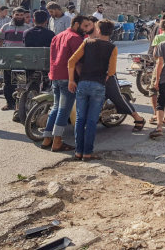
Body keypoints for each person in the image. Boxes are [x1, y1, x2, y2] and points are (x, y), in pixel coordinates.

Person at [40, 15, 94, 153]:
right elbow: (77, 62)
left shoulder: (58, 36)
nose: (87, 29)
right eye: (85, 26)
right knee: (64, 110)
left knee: (56, 108)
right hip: (68, 78)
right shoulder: (76, 39)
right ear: (76, 24)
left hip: (55, 76)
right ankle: (57, 141)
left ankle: (47, 138)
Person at [67, 19, 117, 160]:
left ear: (98, 30)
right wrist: (105, 77)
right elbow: (112, 71)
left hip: (82, 84)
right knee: (91, 120)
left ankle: (78, 151)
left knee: (80, 119)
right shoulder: (112, 48)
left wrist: (71, 80)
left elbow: (71, 61)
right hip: (98, 85)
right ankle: (87, 152)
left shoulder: (87, 43)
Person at [0, 8, 32, 110]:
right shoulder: (6, 27)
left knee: (19, 83)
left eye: (21, 15)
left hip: (21, 60)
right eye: (17, 15)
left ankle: (18, 106)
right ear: (13, 15)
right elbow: (0, 41)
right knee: (8, 83)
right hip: (8, 59)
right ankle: (9, 103)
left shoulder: (28, 28)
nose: (19, 17)